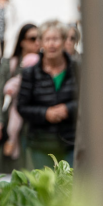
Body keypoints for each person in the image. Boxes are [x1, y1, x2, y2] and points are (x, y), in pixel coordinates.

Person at [17, 20, 77, 169]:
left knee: (71, 188)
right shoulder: (30, 73)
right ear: (40, 42)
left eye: (56, 39)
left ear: (63, 41)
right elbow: (22, 107)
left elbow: (89, 101)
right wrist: (45, 113)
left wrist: (67, 109)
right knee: (44, 189)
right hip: (40, 145)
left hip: (72, 143)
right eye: (47, 39)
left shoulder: (78, 69)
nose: (51, 44)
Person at [0, 22, 39, 173]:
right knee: (11, 173)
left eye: (39, 38)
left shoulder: (43, 62)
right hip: (12, 120)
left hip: (35, 120)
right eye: (33, 38)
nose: (37, 42)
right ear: (22, 42)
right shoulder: (11, 64)